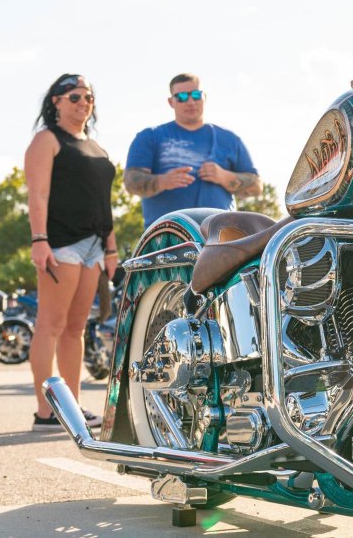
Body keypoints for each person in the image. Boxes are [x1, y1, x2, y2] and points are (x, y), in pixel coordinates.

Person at [23, 74, 117, 431]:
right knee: (51, 324)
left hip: (94, 246)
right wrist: (39, 239)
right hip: (61, 243)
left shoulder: (96, 147)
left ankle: (72, 407)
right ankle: (46, 411)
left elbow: (105, 204)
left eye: (88, 97)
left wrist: (111, 249)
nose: (83, 103)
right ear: (56, 102)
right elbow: (37, 195)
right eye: (75, 97)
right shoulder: (47, 140)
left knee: (76, 327)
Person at [125, 73, 261, 226]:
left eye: (196, 95)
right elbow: (130, 182)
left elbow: (256, 186)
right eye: (181, 97)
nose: (190, 101)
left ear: (205, 98)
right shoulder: (149, 137)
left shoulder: (229, 139)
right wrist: (162, 181)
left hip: (222, 237)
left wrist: (225, 177)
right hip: (166, 238)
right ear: (171, 102)